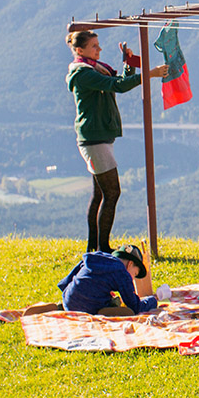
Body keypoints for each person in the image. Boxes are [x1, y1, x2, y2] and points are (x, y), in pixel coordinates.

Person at [65, 31, 167, 253]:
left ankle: (94, 247)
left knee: (101, 194)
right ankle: (102, 248)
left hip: (98, 138)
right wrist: (150, 74)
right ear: (80, 50)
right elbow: (117, 86)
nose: (99, 50)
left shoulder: (92, 69)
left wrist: (128, 64)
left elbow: (117, 82)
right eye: (94, 46)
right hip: (95, 140)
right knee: (112, 193)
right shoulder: (83, 74)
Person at [23, 244, 159, 317]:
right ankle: (103, 311)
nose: (133, 279)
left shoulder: (95, 257)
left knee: (80, 299)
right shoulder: (122, 273)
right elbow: (134, 305)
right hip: (92, 305)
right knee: (120, 305)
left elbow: (70, 278)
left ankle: (60, 307)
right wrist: (153, 299)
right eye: (134, 274)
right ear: (130, 264)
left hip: (70, 298)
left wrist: (67, 294)